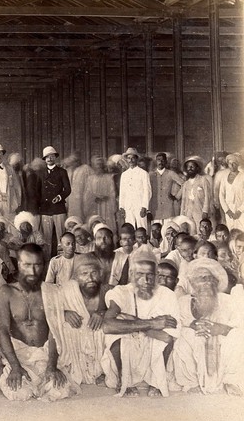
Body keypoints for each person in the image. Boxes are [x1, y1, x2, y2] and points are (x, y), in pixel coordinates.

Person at [0, 244, 76, 401]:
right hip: (18, 355)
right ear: (18, 264)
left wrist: (52, 366)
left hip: (44, 355)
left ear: (43, 265)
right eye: (27, 265)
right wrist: (15, 366)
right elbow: (3, 330)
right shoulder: (6, 292)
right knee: (19, 393)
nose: (32, 272)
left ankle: (45, 374)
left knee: (59, 390)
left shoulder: (52, 291)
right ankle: (3, 369)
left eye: (37, 265)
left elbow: (54, 331)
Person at [101, 247, 180, 397]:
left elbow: (167, 337)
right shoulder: (121, 292)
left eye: (150, 275)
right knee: (114, 335)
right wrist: (151, 324)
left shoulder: (167, 295)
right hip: (135, 343)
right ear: (131, 274)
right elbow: (108, 326)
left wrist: (132, 322)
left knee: (164, 341)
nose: (145, 281)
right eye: (140, 275)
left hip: (153, 348)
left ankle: (157, 381)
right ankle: (123, 378)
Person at [172, 258, 244, 395]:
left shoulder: (228, 301)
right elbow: (176, 325)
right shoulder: (183, 302)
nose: (207, 283)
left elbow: (240, 325)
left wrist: (222, 329)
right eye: (201, 279)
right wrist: (193, 324)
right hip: (195, 342)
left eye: (211, 279)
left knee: (238, 336)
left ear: (217, 282)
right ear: (193, 283)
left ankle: (231, 382)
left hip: (223, 344)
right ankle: (191, 382)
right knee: (185, 335)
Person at [45, 254, 109, 386]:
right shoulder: (66, 290)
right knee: (60, 326)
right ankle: (56, 367)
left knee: (106, 328)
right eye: (84, 273)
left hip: (97, 341)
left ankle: (101, 370)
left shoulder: (107, 290)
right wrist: (63, 313)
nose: (90, 278)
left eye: (94, 272)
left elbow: (122, 311)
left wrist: (102, 313)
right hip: (74, 346)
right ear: (75, 277)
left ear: (101, 273)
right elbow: (48, 312)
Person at [33, 146, 72, 256]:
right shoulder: (40, 174)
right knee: (46, 240)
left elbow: (68, 189)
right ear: (44, 159)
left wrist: (59, 197)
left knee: (62, 237)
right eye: (47, 157)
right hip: (45, 210)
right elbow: (37, 192)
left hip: (59, 209)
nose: (49, 159)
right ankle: (47, 264)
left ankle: (63, 260)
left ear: (55, 157)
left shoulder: (62, 172)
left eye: (51, 156)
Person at [118, 147, 151, 231]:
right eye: (128, 158)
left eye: (133, 158)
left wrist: (144, 207)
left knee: (142, 228)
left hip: (140, 205)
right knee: (129, 228)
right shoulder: (124, 175)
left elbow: (147, 191)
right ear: (126, 160)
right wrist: (122, 206)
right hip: (128, 206)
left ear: (136, 159)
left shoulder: (143, 173)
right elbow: (122, 192)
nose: (131, 160)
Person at [83, 156, 118, 236]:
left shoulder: (109, 178)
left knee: (108, 226)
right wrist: (94, 198)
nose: (99, 166)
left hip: (107, 206)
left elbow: (112, 193)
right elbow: (87, 195)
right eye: (97, 164)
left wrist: (107, 198)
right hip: (94, 207)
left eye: (100, 164)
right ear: (93, 166)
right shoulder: (90, 179)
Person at [149, 153, 183, 223]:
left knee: (168, 229)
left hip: (168, 208)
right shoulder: (151, 174)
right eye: (158, 160)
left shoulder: (171, 173)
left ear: (166, 162)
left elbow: (184, 184)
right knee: (156, 229)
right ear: (156, 161)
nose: (160, 162)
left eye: (162, 160)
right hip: (155, 208)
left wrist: (177, 196)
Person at [179, 156, 212, 228]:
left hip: (200, 211)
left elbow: (207, 196)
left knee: (201, 230)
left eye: (192, 166)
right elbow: (183, 200)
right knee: (191, 232)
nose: (190, 168)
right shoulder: (186, 184)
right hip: (188, 212)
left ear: (197, 168)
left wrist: (205, 211)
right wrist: (182, 216)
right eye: (188, 167)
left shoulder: (203, 180)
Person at [63, 154, 92, 224]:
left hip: (82, 199)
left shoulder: (85, 168)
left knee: (82, 219)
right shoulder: (68, 171)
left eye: (75, 161)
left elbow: (91, 184)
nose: (73, 164)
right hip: (71, 201)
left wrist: (87, 199)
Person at [219, 154, 244, 232]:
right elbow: (221, 195)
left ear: (237, 164)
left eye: (234, 163)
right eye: (230, 163)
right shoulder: (224, 177)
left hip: (241, 211)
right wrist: (227, 210)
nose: (232, 165)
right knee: (231, 232)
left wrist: (240, 210)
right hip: (229, 211)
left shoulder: (243, 176)